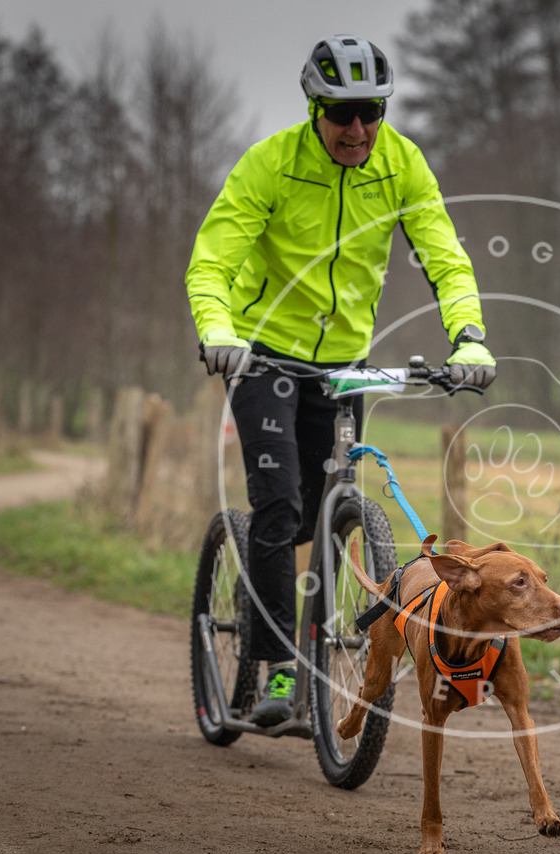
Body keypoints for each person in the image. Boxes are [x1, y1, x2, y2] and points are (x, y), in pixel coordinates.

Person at [186, 34, 495, 726]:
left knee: (331, 511)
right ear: (314, 107)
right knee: (280, 510)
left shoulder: (401, 164)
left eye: (370, 112)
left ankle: (329, 641)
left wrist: (468, 334)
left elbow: (445, 255)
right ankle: (278, 670)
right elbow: (213, 257)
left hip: (346, 362)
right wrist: (219, 330)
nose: (357, 128)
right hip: (262, 352)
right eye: (341, 113)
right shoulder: (272, 164)